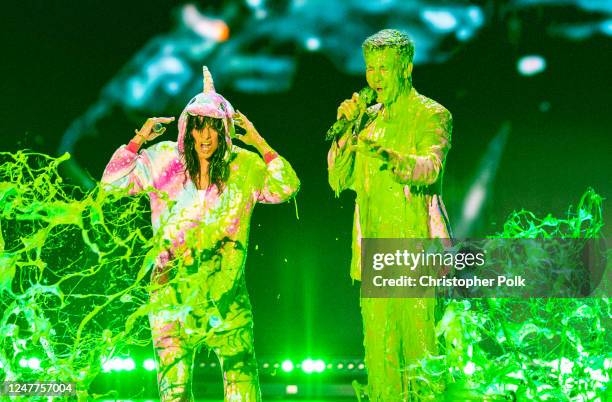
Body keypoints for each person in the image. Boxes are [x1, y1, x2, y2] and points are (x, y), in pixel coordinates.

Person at [101, 67, 300, 401]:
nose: (206, 137)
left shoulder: (245, 166)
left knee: (244, 393)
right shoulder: (164, 160)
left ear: (225, 130)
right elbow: (111, 184)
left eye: (213, 128)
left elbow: (287, 186)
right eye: (198, 128)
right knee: (174, 394)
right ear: (187, 130)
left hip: (227, 300)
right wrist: (138, 141)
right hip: (170, 298)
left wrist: (259, 142)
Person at [327, 29, 452, 401]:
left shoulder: (432, 114)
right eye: (370, 68)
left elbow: (431, 167)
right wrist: (345, 131)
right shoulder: (365, 120)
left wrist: (390, 157)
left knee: (422, 355)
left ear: (407, 68)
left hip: (417, 252)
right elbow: (338, 177)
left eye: (384, 68)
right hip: (375, 255)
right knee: (380, 357)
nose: (375, 78)